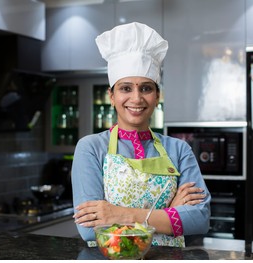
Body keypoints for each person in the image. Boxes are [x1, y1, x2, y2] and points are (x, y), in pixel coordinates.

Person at [72, 22, 211, 247]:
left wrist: (118, 214)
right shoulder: (91, 147)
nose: (136, 99)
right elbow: (89, 229)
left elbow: (200, 219)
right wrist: (170, 212)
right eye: (126, 88)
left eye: (146, 88)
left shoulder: (179, 149)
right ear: (111, 96)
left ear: (157, 96)